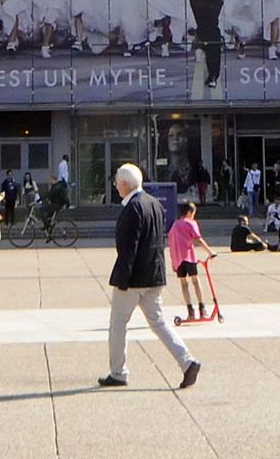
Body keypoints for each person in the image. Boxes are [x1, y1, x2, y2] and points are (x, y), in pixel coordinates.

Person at [97, 163, 199, 391]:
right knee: (159, 323)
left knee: (118, 324)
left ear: (125, 184)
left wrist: (122, 280)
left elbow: (128, 248)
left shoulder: (131, 208)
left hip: (134, 278)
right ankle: (187, 361)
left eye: (117, 183)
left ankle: (118, 372)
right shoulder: (154, 203)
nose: (116, 187)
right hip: (154, 274)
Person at [170, 201, 217, 316]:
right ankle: (202, 308)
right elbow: (198, 239)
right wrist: (210, 252)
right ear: (189, 212)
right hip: (189, 256)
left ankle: (190, 309)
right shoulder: (191, 223)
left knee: (184, 283)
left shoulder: (175, 224)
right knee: (195, 281)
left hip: (178, 258)